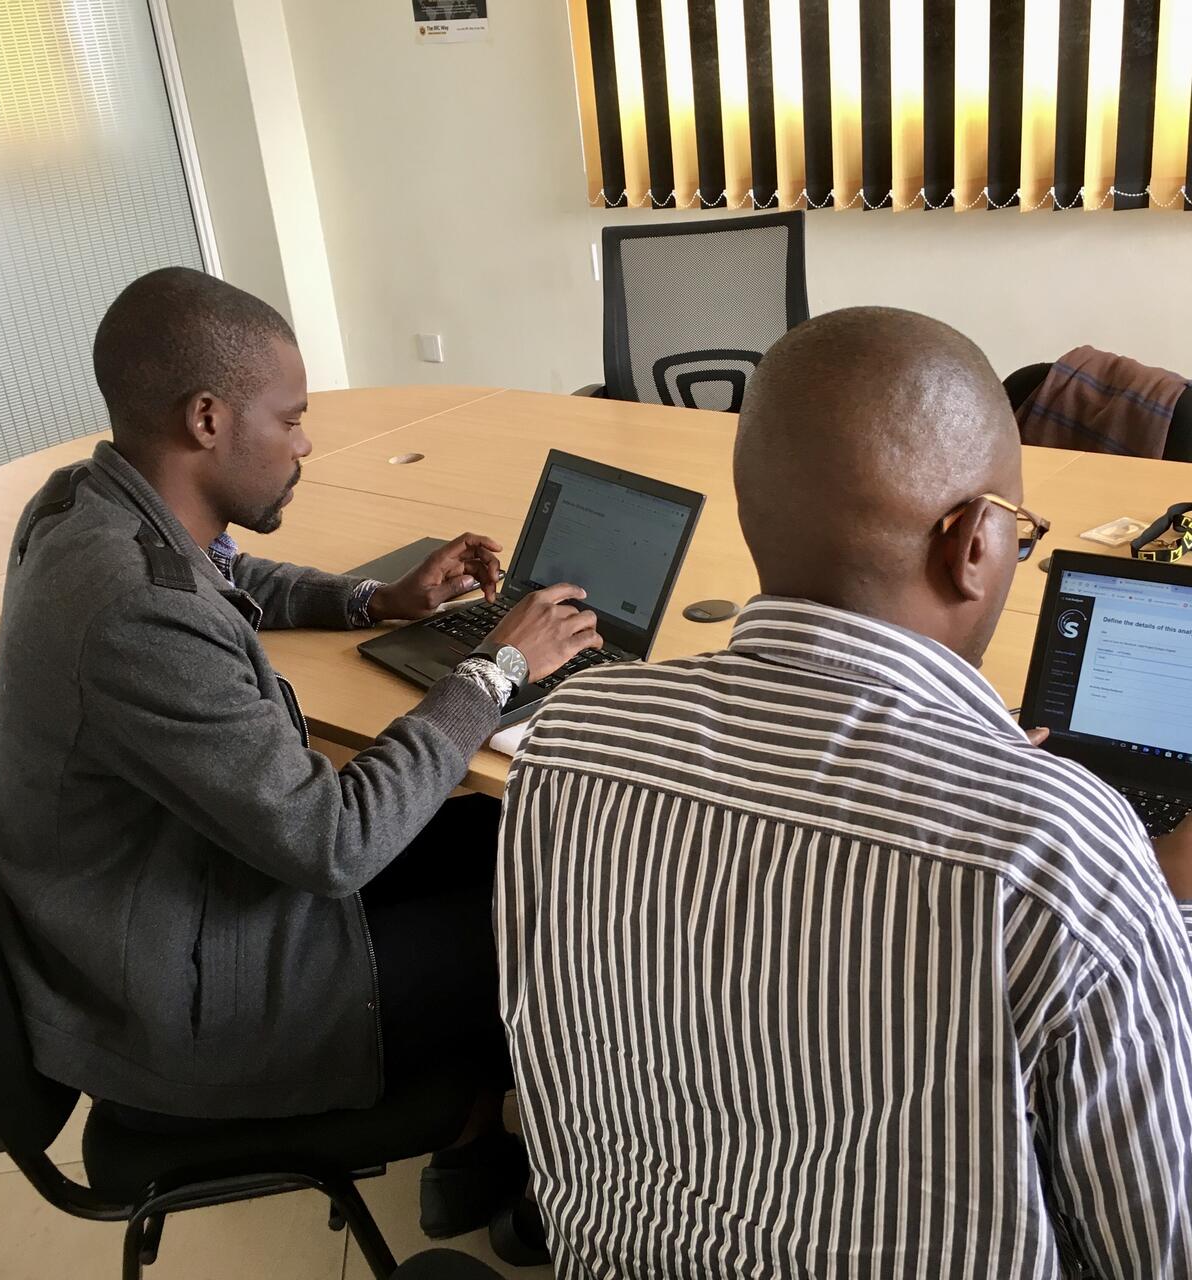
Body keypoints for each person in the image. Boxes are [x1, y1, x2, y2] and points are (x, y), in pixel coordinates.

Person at [496, 307, 1192, 1277]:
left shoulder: (574, 738)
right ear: (971, 545)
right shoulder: (1053, 847)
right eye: (1020, 532)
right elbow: (1157, 1248)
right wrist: (1156, 897)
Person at [0, 266, 599, 1239]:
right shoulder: (135, 611)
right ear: (208, 419)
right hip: (182, 1000)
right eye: (291, 418)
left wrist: (373, 600)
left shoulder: (86, 504)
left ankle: (469, 1141)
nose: (306, 443)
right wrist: (495, 668)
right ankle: (553, 1190)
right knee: (559, 932)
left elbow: (222, 569)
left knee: (498, 835)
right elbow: (331, 841)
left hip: (165, 896)